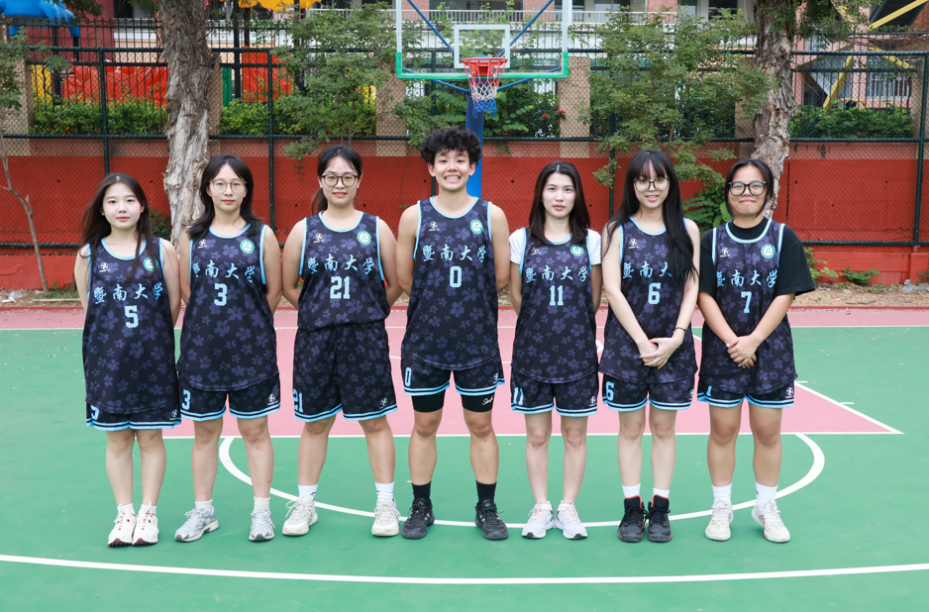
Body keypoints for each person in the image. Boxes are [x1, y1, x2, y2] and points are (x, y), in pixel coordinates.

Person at [280, 145, 403, 538]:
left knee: (375, 422)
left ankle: (385, 503)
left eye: (347, 176)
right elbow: (289, 286)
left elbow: (395, 283)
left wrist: (365, 311)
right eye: (331, 177)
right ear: (320, 180)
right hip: (316, 341)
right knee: (316, 424)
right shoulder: (304, 230)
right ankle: (305, 503)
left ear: (358, 181)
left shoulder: (376, 228)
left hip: (364, 339)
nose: (339, 184)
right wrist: (322, 313)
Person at [395, 128, 510, 540]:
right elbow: (405, 279)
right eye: (443, 160)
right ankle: (420, 505)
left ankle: (487, 507)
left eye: (460, 159)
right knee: (425, 425)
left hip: (477, 342)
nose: (452, 167)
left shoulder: (492, 215)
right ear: (431, 168)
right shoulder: (414, 216)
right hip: (426, 342)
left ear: (472, 166)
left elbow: (500, 278)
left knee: (481, 425)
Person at [698, 159, 814, 544]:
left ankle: (765, 505)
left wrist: (753, 340)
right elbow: (704, 295)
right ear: (728, 192)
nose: (746, 193)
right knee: (723, 429)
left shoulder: (783, 237)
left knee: (767, 430)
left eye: (755, 186)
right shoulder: (711, 241)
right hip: (723, 349)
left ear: (768, 192)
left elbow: (786, 293)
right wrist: (734, 341)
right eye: (738, 186)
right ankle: (721, 506)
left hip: (771, 350)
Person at [174, 154, 283, 543]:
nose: (228, 190)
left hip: (251, 352)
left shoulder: (261, 235)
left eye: (236, 183)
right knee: (205, 433)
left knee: (255, 431)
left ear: (246, 189)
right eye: (220, 183)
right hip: (203, 351)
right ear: (207, 188)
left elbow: (273, 293)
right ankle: (203, 512)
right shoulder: (191, 237)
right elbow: (188, 293)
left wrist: (245, 325)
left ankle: (262, 512)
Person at [599, 149, 700, 544]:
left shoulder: (687, 230)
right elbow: (612, 289)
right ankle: (631, 508)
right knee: (630, 428)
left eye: (659, 179)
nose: (651, 187)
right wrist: (642, 342)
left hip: (673, 346)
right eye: (642, 180)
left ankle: (659, 509)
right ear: (632, 185)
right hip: (628, 347)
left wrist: (677, 336)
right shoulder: (617, 230)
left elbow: (692, 286)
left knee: (663, 428)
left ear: (670, 183)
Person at [75, 173, 181, 547]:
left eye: (129, 200)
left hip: (152, 362)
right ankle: (124, 514)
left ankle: (149, 513)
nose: (122, 208)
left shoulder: (162, 250)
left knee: (151, 437)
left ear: (142, 206)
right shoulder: (89, 255)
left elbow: (172, 305)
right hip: (108, 363)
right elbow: (90, 309)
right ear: (102, 210)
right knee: (117, 441)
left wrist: (147, 338)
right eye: (113, 201)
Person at [509, 161, 602, 540]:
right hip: (532, 354)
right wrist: (541, 326)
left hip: (577, 355)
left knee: (575, 436)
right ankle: (541, 507)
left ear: (577, 195)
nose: (559, 196)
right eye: (552, 188)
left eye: (567, 189)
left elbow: (594, 298)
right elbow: (516, 295)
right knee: (537, 436)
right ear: (540, 194)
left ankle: (567, 507)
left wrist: (570, 329)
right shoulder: (521, 239)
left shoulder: (591, 241)